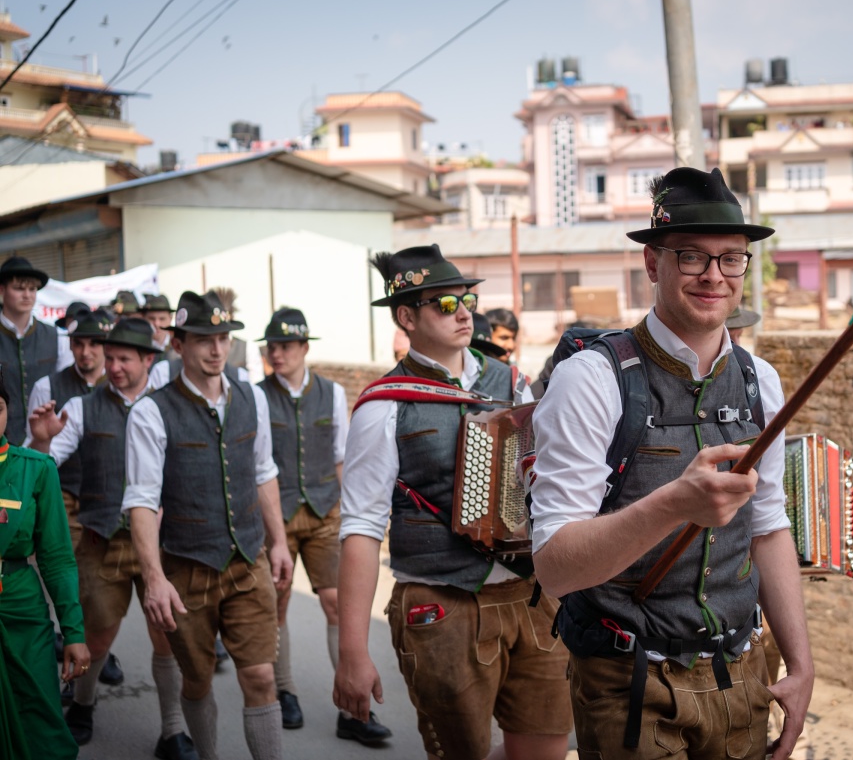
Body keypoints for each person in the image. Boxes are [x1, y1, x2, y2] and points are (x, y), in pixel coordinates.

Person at [530, 166, 815, 760]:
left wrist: (802, 661)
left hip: (741, 672)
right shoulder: (592, 379)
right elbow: (555, 568)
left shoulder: (762, 380)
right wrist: (673, 504)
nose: (714, 276)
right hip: (629, 679)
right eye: (691, 256)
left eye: (731, 258)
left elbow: (768, 527)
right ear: (652, 263)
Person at [335, 245, 571, 760]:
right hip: (444, 606)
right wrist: (352, 651)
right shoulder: (384, 406)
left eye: (465, 300)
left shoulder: (513, 382)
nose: (464, 313)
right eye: (445, 305)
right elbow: (360, 528)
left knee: (546, 751)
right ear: (406, 317)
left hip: (532, 600)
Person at [123, 290, 293, 760]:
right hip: (185, 568)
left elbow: (264, 472)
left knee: (260, 675)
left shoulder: (252, 397)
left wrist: (278, 543)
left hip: (246, 561)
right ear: (178, 345)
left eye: (222, 337)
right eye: (203, 339)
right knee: (196, 682)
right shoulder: (151, 412)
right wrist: (154, 579)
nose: (216, 349)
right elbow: (140, 499)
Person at [28, 318, 198, 760]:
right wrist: (43, 443)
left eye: (125, 358)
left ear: (148, 360)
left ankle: (173, 730)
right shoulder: (84, 407)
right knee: (97, 636)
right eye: (111, 358)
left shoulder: (169, 406)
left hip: (161, 543)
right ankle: (83, 705)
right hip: (103, 540)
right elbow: (45, 467)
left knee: (167, 634)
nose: (114, 366)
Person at [255, 307, 390, 744]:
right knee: (277, 603)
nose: (277, 354)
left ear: (304, 348)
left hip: (324, 511)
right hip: (275, 515)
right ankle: (285, 688)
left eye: (286, 346)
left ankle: (352, 710)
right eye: (272, 346)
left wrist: (353, 513)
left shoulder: (330, 393)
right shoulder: (255, 395)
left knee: (336, 603)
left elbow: (341, 455)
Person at [0, 365, 91, 760]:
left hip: (22, 615)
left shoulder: (34, 468)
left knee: (41, 726)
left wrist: (73, 632)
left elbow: (56, 559)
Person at [24, 309, 111, 551]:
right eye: (79, 343)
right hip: (65, 499)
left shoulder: (120, 387)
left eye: (95, 343)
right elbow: (35, 456)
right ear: (70, 346)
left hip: (110, 502)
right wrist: (42, 440)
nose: (86, 352)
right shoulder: (46, 387)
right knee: (70, 577)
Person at [0, 256, 72, 445]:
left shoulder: (55, 336)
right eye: (19, 288)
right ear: (2, 290)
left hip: (47, 441)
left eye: (32, 289)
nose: (27, 295)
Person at [140, 294, 176, 360]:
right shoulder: (138, 346)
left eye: (162, 319)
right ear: (144, 319)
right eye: (151, 319)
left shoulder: (179, 345)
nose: (157, 324)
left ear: (170, 319)